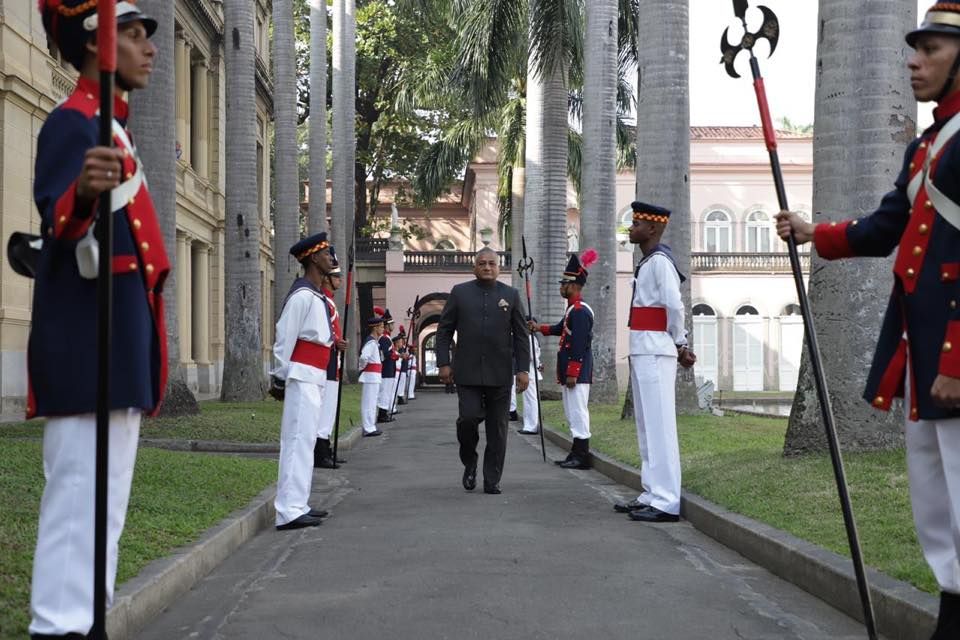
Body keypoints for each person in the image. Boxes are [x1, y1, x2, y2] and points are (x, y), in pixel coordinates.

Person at [776, 7, 960, 634]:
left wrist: (957, 362)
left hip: (953, 362)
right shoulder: (925, 148)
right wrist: (812, 233)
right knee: (937, 505)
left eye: (929, 49)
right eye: (913, 48)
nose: (913, 59)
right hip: (922, 356)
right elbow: (886, 228)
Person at [26, 4, 167, 637]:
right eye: (134, 35)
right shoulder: (71, 124)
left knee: (105, 507)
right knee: (77, 496)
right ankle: (58, 628)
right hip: (87, 345)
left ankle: (87, 623)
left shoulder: (117, 129)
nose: (149, 48)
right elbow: (57, 222)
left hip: (119, 340)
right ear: (96, 45)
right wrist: (82, 194)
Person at [615, 202, 696, 524]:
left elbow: (674, 306)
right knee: (647, 427)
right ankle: (651, 492)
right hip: (643, 348)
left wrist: (681, 341)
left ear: (652, 228)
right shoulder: (648, 262)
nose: (631, 229)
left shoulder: (661, 262)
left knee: (660, 427)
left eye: (635, 224)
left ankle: (666, 501)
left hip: (656, 348)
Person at [436, 248, 530, 495]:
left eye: (492, 263)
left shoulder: (510, 295)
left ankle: (492, 479)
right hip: (467, 372)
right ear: (474, 267)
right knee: (467, 419)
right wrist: (443, 363)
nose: (487, 267)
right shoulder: (460, 293)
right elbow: (444, 330)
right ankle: (470, 462)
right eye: (482, 263)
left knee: (497, 430)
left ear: (499, 267)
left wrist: (523, 369)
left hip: (500, 374)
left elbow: (521, 336)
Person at [270, 233, 337, 531]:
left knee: (306, 441)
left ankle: (299, 502)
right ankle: (288, 510)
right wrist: (280, 378)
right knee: (296, 441)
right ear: (313, 258)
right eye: (325, 254)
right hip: (301, 375)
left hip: (315, 376)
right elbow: (284, 339)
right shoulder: (301, 296)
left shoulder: (316, 295)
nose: (330, 259)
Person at [529, 250, 598, 468]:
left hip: (576, 373)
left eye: (564, 284)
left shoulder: (579, 311)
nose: (561, 288)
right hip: (570, 372)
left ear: (574, 286)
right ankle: (575, 452)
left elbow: (578, 344)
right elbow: (561, 328)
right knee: (572, 412)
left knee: (578, 412)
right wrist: (539, 328)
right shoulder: (572, 310)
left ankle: (582, 456)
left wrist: (572, 373)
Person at [313, 252, 349, 468]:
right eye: (336, 276)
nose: (340, 280)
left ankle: (326, 448)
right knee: (324, 407)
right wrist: (336, 340)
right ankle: (321, 452)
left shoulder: (330, 302)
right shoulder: (322, 301)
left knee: (330, 407)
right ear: (327, 278)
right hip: (326, 359)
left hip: (332, 358)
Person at [515, 316, 543, 434]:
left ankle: (531, 425)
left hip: (530, 372)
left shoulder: (530, 339)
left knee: (531, 400)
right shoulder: (530, 338)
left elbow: (532, 357)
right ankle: (529, 425)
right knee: (528, 400)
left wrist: (538, 365)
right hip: (529, 371)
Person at [359, 313, 385, 437]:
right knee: (368, 402)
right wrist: (361, 368)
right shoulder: (371, 342)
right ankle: (368, 427)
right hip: (370, 375)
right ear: (375, 328)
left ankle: (371, 425)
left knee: (372, 401)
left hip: (374, 376)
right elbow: (364, 357)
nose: (383, 329)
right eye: (381, 326)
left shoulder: (375, 342)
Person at [376, 308, 398, 423]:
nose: (393, 326)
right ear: (387, 325)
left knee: (387, 391)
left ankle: (384, 412)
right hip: (386, 369)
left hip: (390, 369)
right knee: (385, 392)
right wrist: (395, 355)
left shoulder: (387, 337)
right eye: (391, 324)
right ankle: (382, 414)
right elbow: (386, 354)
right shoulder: (384, 338)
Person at [395, 326, 409, 406]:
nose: (404, 341)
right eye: (403, 339)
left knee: (402, 383)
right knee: (400, 383)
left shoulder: (403, 348)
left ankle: (401, 396)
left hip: (404, 368)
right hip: (401, 368)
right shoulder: (400, 349)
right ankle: (400, 397)